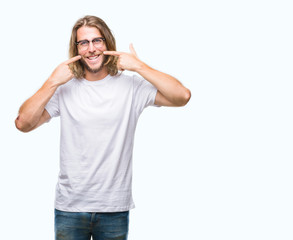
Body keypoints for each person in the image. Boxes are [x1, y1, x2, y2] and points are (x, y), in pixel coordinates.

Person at [15, 15, 191, 240]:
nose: (91, 49)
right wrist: (52, 81)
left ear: (107, 43)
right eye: (84, 43)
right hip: (70, 207)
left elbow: (182, 96)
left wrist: (138, 66)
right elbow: (23, 123)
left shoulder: (132, 87)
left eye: (97, 41)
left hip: (114, 208)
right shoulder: (64, 88)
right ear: (76, 48)